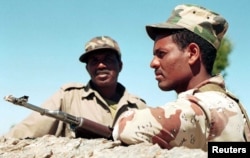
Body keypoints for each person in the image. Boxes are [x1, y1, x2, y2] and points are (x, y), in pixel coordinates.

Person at [112, 4, 250, 151]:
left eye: (162, 54)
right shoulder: (227, 102)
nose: (153, 63)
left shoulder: (201, 106)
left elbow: (126, 127)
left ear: (192, 53)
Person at [4, 36, 147, 138]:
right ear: (87, 68)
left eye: (108, 59)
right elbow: (26, 130)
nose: (101, 65)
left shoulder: (138, 106)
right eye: (94, 61)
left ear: (120, 66)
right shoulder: (68, 97)